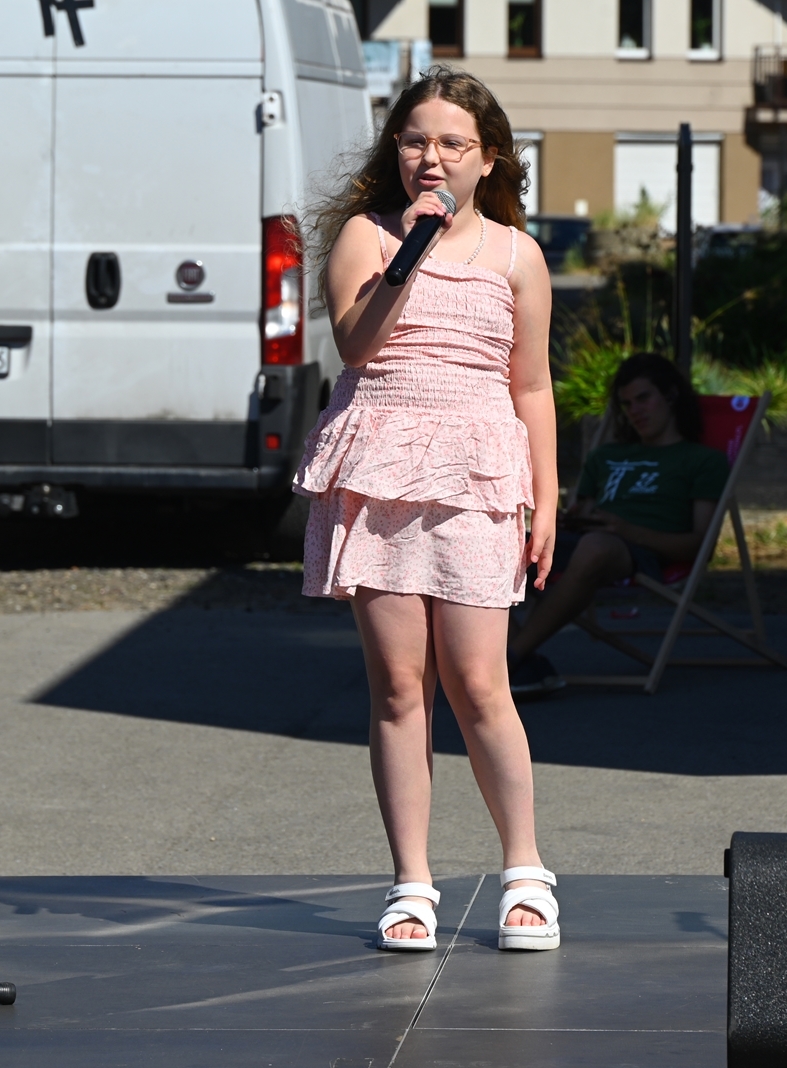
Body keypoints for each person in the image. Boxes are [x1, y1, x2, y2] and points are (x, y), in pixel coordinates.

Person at [292, 67, 561, 951]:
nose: (431, 157)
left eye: (452, 142)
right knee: (400, 686)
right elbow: (356, 344)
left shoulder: (519, 257)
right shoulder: (367, 238)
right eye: (415, 140)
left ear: (489, 157)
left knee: (480, 682)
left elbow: (531, 386)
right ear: (395, 151)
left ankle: (526, 871)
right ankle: (412, 884)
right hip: (383, 471)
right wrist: (409, 252)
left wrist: (546, 499)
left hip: (479, 476)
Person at [507, 352, 731, 695]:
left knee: (596, 546)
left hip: (642, 551)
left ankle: (510, 659)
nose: (635, 410)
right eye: (627, 404)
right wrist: (568, 520)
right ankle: (519, 665)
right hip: (588, 541)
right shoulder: (606, 456)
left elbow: (698, 545)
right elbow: (583, 511)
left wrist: (624, 530)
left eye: (643, 398)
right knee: (498, 542)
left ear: (670, 395)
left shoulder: (702, 461)